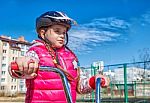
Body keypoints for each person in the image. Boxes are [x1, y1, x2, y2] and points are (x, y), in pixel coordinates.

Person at [9, 11, 110, 103]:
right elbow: (22, 70)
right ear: (43, 33)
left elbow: (80, 87)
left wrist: (94, 81)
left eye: (64, 32)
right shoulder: (36, 52)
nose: (62, 35)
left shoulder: (71, 57)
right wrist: (22, 64)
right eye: (57, 31)